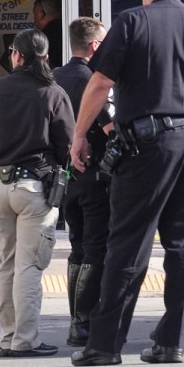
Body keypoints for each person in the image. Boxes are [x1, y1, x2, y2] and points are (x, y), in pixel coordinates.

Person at [69, 0, 184, 367]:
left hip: (151, 144)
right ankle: (171, 342)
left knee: (129, 244)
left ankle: (105, 346)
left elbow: (101, 83)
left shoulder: (131, 21)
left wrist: (78, 136)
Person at [0, 28, 74, 358]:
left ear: (16, 56)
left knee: (7, 265)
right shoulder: (53, 93)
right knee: (29, 267)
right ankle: (25, 340)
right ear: (46, 58)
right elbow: (67, 144)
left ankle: (8, 338)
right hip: (35, 188)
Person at [53, 17, 114, 347]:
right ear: (94, 46)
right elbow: (110, 129)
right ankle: (83, 322)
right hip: (93, 175)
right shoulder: (96, 81)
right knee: (95, 248)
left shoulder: (53, 78)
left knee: (76, 247)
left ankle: (76, 319)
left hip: (64, 179)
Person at [33, 0, 63, 68]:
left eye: (34, 14)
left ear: (41, 15)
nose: (34, 20)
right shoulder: (71, 31)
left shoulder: (41, 38)